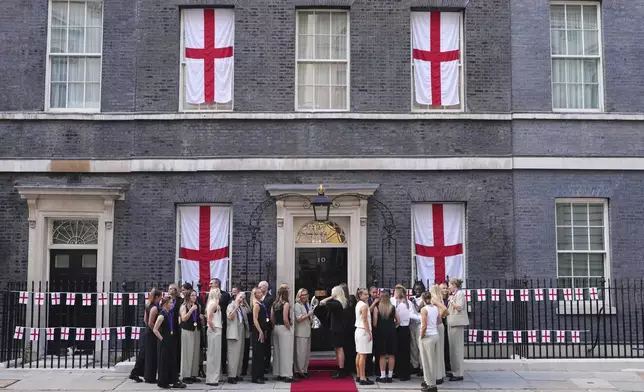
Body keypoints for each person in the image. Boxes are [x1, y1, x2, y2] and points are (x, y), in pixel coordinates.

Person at [153, 295, 186, 389]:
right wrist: (162, 339)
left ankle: (174, 380)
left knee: (172, 360)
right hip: (165, 340)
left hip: (171, 339)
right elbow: (155, 330)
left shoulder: (170, 313)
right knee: (164, 361)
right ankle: (163, 382)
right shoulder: (161, 316)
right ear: (165, 304)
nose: (172, 304)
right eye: (171, 303)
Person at [129, 288, 161, 383]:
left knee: (143, 354)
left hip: (147, 332)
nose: (160, 299)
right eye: (160, 297)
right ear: (156, 297)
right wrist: (155, 331)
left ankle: (135, 372)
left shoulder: (148, 305)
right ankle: (150, 377)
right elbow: (151, 322)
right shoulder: (154, 308)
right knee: (151, 355)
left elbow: (145, 320)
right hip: (151, 333)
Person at [319, 285, 348, 379]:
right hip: (338, 328)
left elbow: (322, 302)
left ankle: (341, 369)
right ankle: (339, 368)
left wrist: (331, 297)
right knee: (337, 349)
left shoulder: (336, 303)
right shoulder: (343, 302)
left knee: (339, 349)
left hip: (337, 329)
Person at [271, 286, 295, 382]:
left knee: (277, 352)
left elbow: (272, 317)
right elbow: (285, 318)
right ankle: (287, 374)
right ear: (286, 294)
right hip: (284, 328)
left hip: (276, 327)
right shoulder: (286, 304)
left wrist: (274, 326)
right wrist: (289, 328)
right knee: (286, 352)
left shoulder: (274, 304)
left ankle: (278, 373)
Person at [373, 289, 398, 383]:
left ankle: (383, 376)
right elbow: (398, 320)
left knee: (382, 355)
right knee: (391, 354)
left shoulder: (377, 307)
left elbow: (375, 323)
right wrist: (392, 326)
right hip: (392, 332)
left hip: (381, 332)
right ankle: (390, 376)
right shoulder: (393, 307)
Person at [446, 278, 468, 382]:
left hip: (457, 324)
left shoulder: (460, 294)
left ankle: (459, 374)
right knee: (453, 349)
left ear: (454, 285)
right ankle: (455, 371)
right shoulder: (454, 294)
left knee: (457, 349)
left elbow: (459, 307)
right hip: (452, 324)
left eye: (449, 285)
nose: (448, 287)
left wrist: (451, 301)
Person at [419, 291, 440, 392]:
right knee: (432, 360)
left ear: (423, 299)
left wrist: (421, 336)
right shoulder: (435, 308)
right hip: (435, 334)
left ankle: (430, 384)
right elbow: (439, 320)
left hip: (427, 336)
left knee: (426, 361)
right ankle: (430, 381)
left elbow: (423, 325)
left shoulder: (424, 309)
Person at [179, 289, 202, 384]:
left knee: (195, 352)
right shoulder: (184, 306)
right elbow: (184, 318)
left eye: (195, 295)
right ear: (188, 296)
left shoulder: (197, 305)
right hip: (187, 330)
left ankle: (193, 374)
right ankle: (185, 375)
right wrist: (191, 310)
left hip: (196, 329)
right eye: (192, 295)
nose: (194, 297)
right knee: (187, 352)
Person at [210, 278, 231, 375]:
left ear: (217, 284)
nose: (210, 285)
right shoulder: (210, 296)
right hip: (212, 323)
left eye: (212, 283)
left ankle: (223, 367)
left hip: (222, 322)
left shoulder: (225, 295)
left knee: (222, 346)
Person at [430, 284, 449, 384]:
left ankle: (437, 376)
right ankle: (440, 374)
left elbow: (445, 310)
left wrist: (438, 318)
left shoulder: (434, 299)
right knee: (439, 351)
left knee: (436, 351)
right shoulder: (440, 298)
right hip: (440, 326)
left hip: (437, 326)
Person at [354, 288, 374, 386]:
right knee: (363, 355)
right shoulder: (364, 306)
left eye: (367, 294)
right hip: (363, 331)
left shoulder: (358, 304)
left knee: (359, 353)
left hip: (358, 330)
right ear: (360, 295)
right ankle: (362, 377)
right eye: (365, 294)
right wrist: (369, 333)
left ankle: (359, 375)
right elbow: (365, 320)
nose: (367, 296)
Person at [393, 285, 414, 381]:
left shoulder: (402, 305)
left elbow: (398, 319)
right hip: (405, 328)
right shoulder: (406, 303)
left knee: (402, 352)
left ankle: (403, 373)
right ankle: (400, 372)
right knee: (402, 351)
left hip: (402, 328)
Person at [226, 291, 246, 384]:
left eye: (243, 298)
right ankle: (231, 376)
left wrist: (243, 303)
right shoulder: (231, 305)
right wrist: (236, 307)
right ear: (236, 296)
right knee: (233, 355)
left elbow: (248, 311)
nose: (241, 299)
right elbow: (230, 316)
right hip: (233, 332)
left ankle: (237, 374)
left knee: (240, 354)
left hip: (240, 330)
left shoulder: (241, 307)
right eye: (240, 297)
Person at [251, 287, 270, 384]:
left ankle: (261, 374)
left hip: (262, 328)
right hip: (257, 330)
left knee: (262, 353)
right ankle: (256, 376)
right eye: (258, 293)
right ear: (254, 294)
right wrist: (260, 332)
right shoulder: (256, 305)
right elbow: (255, 320)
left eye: (261, 292)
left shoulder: (261, 303)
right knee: (257, 354)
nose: (260, 293)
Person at [293, 288, 313, 379]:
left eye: (306, 294)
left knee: (306, 353)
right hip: (300, 332)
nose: (304, 296)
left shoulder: (307, 304)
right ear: (299, 296)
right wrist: (309, 314)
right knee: (300, 353)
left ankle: (305, 370)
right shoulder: (297, 305)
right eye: (302, 295)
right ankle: (299, 371)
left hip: (307, 330)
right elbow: (299, 318)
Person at [205, 288, 222, 386]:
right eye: (217, 292)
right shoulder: (213, 304)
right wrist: (215, 330)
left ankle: (214, 377)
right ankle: (212, 379)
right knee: (213, 355)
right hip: (214, 330)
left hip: (215, 329)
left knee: (214, 355)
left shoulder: (213, 304)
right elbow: (209, 319)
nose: (219, 293)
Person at [340, 283, 357, 375]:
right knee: (351, 347)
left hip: (346, 327)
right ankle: (352, 366)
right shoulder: (352, 298)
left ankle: (347, 367)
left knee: (347, 348)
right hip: (352, 326)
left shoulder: (344, 301)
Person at [410, 281, 426, 376]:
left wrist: (414, 302)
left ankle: (422, 367)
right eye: (416, 289)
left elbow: (418, 309)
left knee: (420, 346)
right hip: (412, 324)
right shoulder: (412, 298)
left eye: (419, 289)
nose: (417, 291)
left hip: (420, 324)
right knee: (413, 346)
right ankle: (415, 365)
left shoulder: (423, 299)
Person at [258, 281, 274, 373]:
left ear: (265, 288)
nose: (259, 288)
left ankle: (266, 366)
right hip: (259, 323)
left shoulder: (270, 298)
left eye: (261, 287)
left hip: (267, 325)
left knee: (267, 346)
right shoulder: (258, 297)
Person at [440, 282, 452, 376]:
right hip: (442, 323)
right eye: (443, 288)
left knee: (448, 345)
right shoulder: (438, 300)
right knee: (442, 345)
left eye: (446, 288)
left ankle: (448, 366)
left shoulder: (450, 299)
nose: (445, 290)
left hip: (449, 323)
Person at [367, 286, 379, 377]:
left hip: (378, 328)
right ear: (370, 292)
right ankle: (369, 369)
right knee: (370, 351)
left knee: (377, 350)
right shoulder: (368, 301)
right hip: (370, 326)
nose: (375, 294)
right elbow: (368, 311)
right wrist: (374, 303)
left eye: (376, 292)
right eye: (373, 292)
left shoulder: (379, 300)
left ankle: (378, 370)